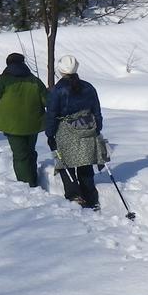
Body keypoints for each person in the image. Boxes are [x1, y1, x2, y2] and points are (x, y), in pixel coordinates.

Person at [0, 52, 48, 187]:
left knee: (20, 156)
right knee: (31, 153)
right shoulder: (34, 80)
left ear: (8, 64)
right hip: (33, 123)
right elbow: (47, 101)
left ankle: (27, 185)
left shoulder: (3, 80)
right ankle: (34, 180)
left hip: (12, 125)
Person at [44, 54, 104, 209]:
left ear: (60, 70)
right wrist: (97, 128)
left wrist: (49, 133)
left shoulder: (57, 90)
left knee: (65, 163)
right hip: (87, 128)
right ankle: (91, 196)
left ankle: (74, 195)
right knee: (85, 163)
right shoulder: (88, 87)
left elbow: (51, 113)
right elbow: (96, 110)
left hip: (66, 131)